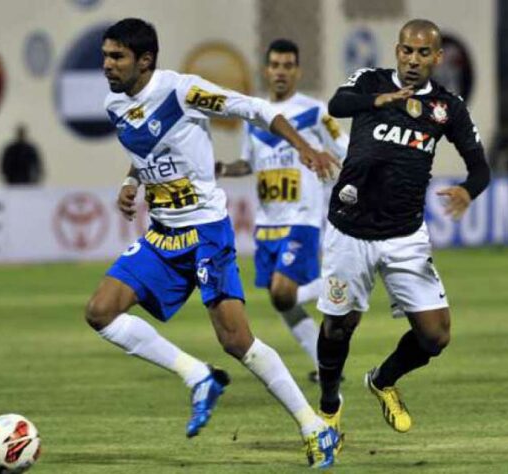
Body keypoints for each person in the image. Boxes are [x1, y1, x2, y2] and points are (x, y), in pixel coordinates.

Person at [84, 18, 340, 468]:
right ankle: (198, 376)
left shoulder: (183, 91)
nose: (106, 64)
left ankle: (313, 426)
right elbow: (144, 152)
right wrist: (131, 181)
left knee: (237, 340)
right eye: (105, 55)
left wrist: (302, 146)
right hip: (163, 233)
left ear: (144, 61)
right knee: (100, 312)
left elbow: (257, 109)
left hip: (205, 232)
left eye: (116, 57)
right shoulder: (114, 104)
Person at [315, 19, 491, 437]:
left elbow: (480, 167)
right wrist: (378, 100)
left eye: (423, 53)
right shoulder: (370, 81)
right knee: (339, 326)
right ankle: (327, 410)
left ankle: (382, 380)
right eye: (407, 51)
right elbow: (338, 105)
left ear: (437, 57)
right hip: (350, 231)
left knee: (435, 336)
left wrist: (468, 190)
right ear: (397, 51)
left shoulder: (448, 107)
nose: (413, 60)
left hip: (405, 235)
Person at [216, 39, 348, 384]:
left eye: (288, 65)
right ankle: (325, 365)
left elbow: (345, 149)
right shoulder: (255, 115)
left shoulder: (315, 112)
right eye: (275, 64)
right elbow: (249, 162)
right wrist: (224, 169)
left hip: (302, 218)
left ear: (297, 71)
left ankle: (343, 281)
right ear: (266, 69)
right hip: (267, 223)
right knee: (283, 302)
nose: (281, 71)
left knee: (281, 292)